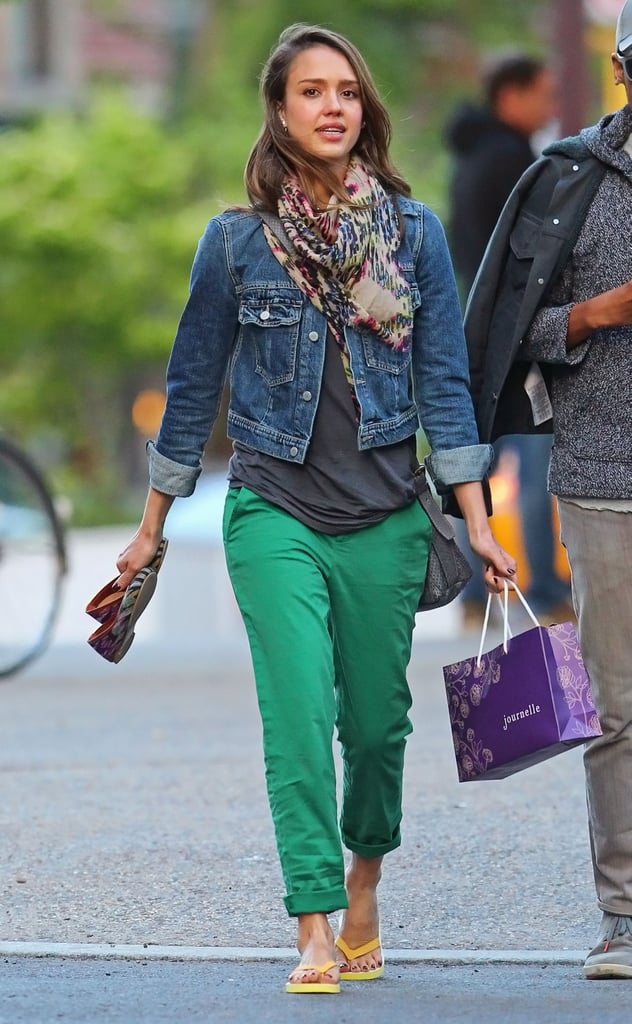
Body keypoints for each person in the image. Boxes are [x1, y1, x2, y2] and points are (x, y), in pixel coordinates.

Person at [114, 23, 516, 994]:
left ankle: (363, 879)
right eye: (309, 91)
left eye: (344, 90)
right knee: (296, 720)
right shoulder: (235, 244)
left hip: (385, 513)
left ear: (361, 109)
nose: (330, 105)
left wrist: (477, 519)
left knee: (375, 730)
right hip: (274, 510)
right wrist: (150, 528)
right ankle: (311, 923)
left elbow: (445, 383)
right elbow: (191, 384)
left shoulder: (412, 235)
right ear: (280, 111)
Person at [464, 0, 632, 980]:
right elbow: (508, 331)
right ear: (620, 69)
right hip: (601, 478)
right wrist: (598, 312)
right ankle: (623, 914)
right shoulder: (567, 181)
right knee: (616, 707)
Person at [444, 53, 571, 628]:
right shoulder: (512, 162)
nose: (549, 107)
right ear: (510, 95)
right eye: (542, 94)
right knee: (539, 463)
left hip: (473, 332)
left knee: (474, 463)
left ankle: (473, 593)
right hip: (514, 339)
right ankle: (543, 592)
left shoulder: (471, 158)